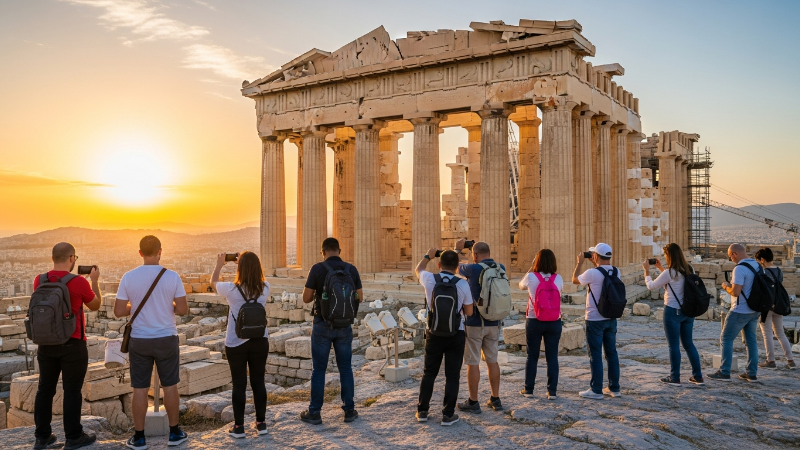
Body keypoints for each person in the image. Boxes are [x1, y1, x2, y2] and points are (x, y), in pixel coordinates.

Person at [114, 235, 189, 449]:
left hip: (139, 340)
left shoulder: (128, 277)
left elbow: (119, 310)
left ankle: (139, 437)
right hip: (166, 338)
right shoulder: (172, 276)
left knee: (139, 388)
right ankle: (174, 433)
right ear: (160, 251)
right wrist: (167, 305)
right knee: (170, 386)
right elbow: (183, 309)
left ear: (140, 253)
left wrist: (136, 307)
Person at [32, 242, 102, 450]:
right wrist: (94, 281)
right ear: (72, 258)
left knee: (45, 389)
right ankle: (73, 437)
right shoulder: (79, 281)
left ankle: (42, 437)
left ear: (53, 258)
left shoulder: (39, 280)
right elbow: (95, 305)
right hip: (73, 343)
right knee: (72, 391)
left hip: (46, 343)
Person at [299, 237, 363, 425]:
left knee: (319, 370)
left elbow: (306, 298)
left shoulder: (317, 269)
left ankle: (315, 412)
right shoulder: (351, 269)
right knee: (346, 368)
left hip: (322, 325)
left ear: (323, 252)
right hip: (344, 326)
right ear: (339, 251)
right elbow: (360, 296)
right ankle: (349, 410)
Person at [211, 251, 271, 438]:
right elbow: (255, 280)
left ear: (240, 268)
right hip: (260, 339)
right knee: (258, 381)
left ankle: (239, 427)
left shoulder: (231, 289)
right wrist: (245, 262)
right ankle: (261, 424)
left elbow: (213, 283)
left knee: (239, 384)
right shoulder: (265, 287)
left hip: (236, 341)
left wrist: (220, 264)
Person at [416, 248, 473, 426]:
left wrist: (428, 256)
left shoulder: (429, 278)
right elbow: (469, 312)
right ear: (457, 267)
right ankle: (448, 415)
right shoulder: (463, 284)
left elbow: (418, 269)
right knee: (452, 375)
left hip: (433, 332)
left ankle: (422, 411)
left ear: (439, 265)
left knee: (429, 372)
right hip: (456, 333)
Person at [453, 239, 505, 413]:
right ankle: (495, 399)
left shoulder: (473, 269)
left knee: (472, 362)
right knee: (492, 361)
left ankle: (473, 401)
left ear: (475, 255)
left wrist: (458, 250)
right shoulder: (501, 268)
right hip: (494, 321)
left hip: (475, 322)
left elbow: (454, 267)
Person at [643, 243, 704, 387]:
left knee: (674, 345)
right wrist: (660, 268)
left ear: (669, 256)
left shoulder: (670, 273)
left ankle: (675, 377)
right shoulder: (689, 268)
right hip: (688, 311)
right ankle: (698, 376)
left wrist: (647, 271)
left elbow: (651, 286)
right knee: (689, 344)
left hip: (672, 310)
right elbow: (675, 281)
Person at [572, 243, 621, 400]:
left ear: (595, 256)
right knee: (611, 353)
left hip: (594, 318)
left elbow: (574, 280)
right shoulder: (616, 271)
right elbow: (603, 274)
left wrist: (579, 263)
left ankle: (596, 390)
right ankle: (614, 388)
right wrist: (596, 263)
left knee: (595, 354)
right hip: (611, 317)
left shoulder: (591, 273)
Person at [708, 243, 761, 382]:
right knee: (751, 341)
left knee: (726, 338)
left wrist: (726, 286)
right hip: (754, 309)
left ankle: (724, 371)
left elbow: (736, 292)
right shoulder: (757, 265)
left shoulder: (739, 268)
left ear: (734, 254)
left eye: (730, 256)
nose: (731, 259)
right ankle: (751, 373)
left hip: (740, 310)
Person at [518, 249, 563, 399]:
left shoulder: (531, 277)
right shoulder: (558, 278)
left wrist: (531, 268)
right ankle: (552, 391)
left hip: (534, 319)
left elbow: (521, 285)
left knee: (532, 355)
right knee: (552, 357)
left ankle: (529, 390)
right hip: (554, 321)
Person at [754, 247, 795, 369]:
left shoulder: (763, 272)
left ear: (762, 260)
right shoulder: (779, 271)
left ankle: (770, 361)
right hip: (778, 305)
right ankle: (790, 360)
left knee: (767, 333)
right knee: (780, 333)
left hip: (766, 306)